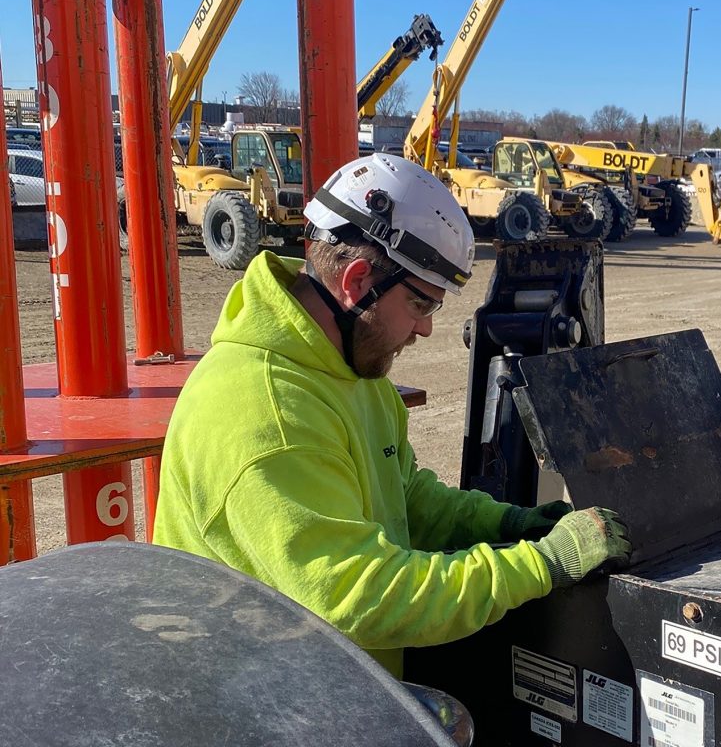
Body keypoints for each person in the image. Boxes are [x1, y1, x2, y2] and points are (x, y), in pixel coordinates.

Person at [153, 153, 632, 678]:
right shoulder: (266, 415)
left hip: (327, 690)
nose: (425, 330)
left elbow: (403, 496)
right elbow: (360, 595)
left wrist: (507, 523)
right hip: (253, 707)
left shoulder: (350, 369)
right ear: (358, 282)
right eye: (422, 305)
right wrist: (543, 564)